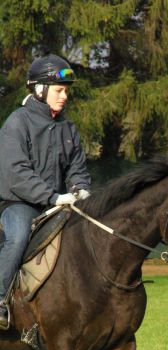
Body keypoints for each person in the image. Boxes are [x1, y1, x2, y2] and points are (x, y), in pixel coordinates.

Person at [0, 53, 91, 328]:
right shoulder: (17, 123)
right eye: (59, 90)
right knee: (16, 238)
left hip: (59, 202)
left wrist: (81, 189)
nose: (64, 96)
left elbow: (77, 167)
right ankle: (0, 299)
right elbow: (17, 173)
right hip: (19, 202)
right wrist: (52, 197)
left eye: (66, 91)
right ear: (40, 90)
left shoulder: (68, 128)